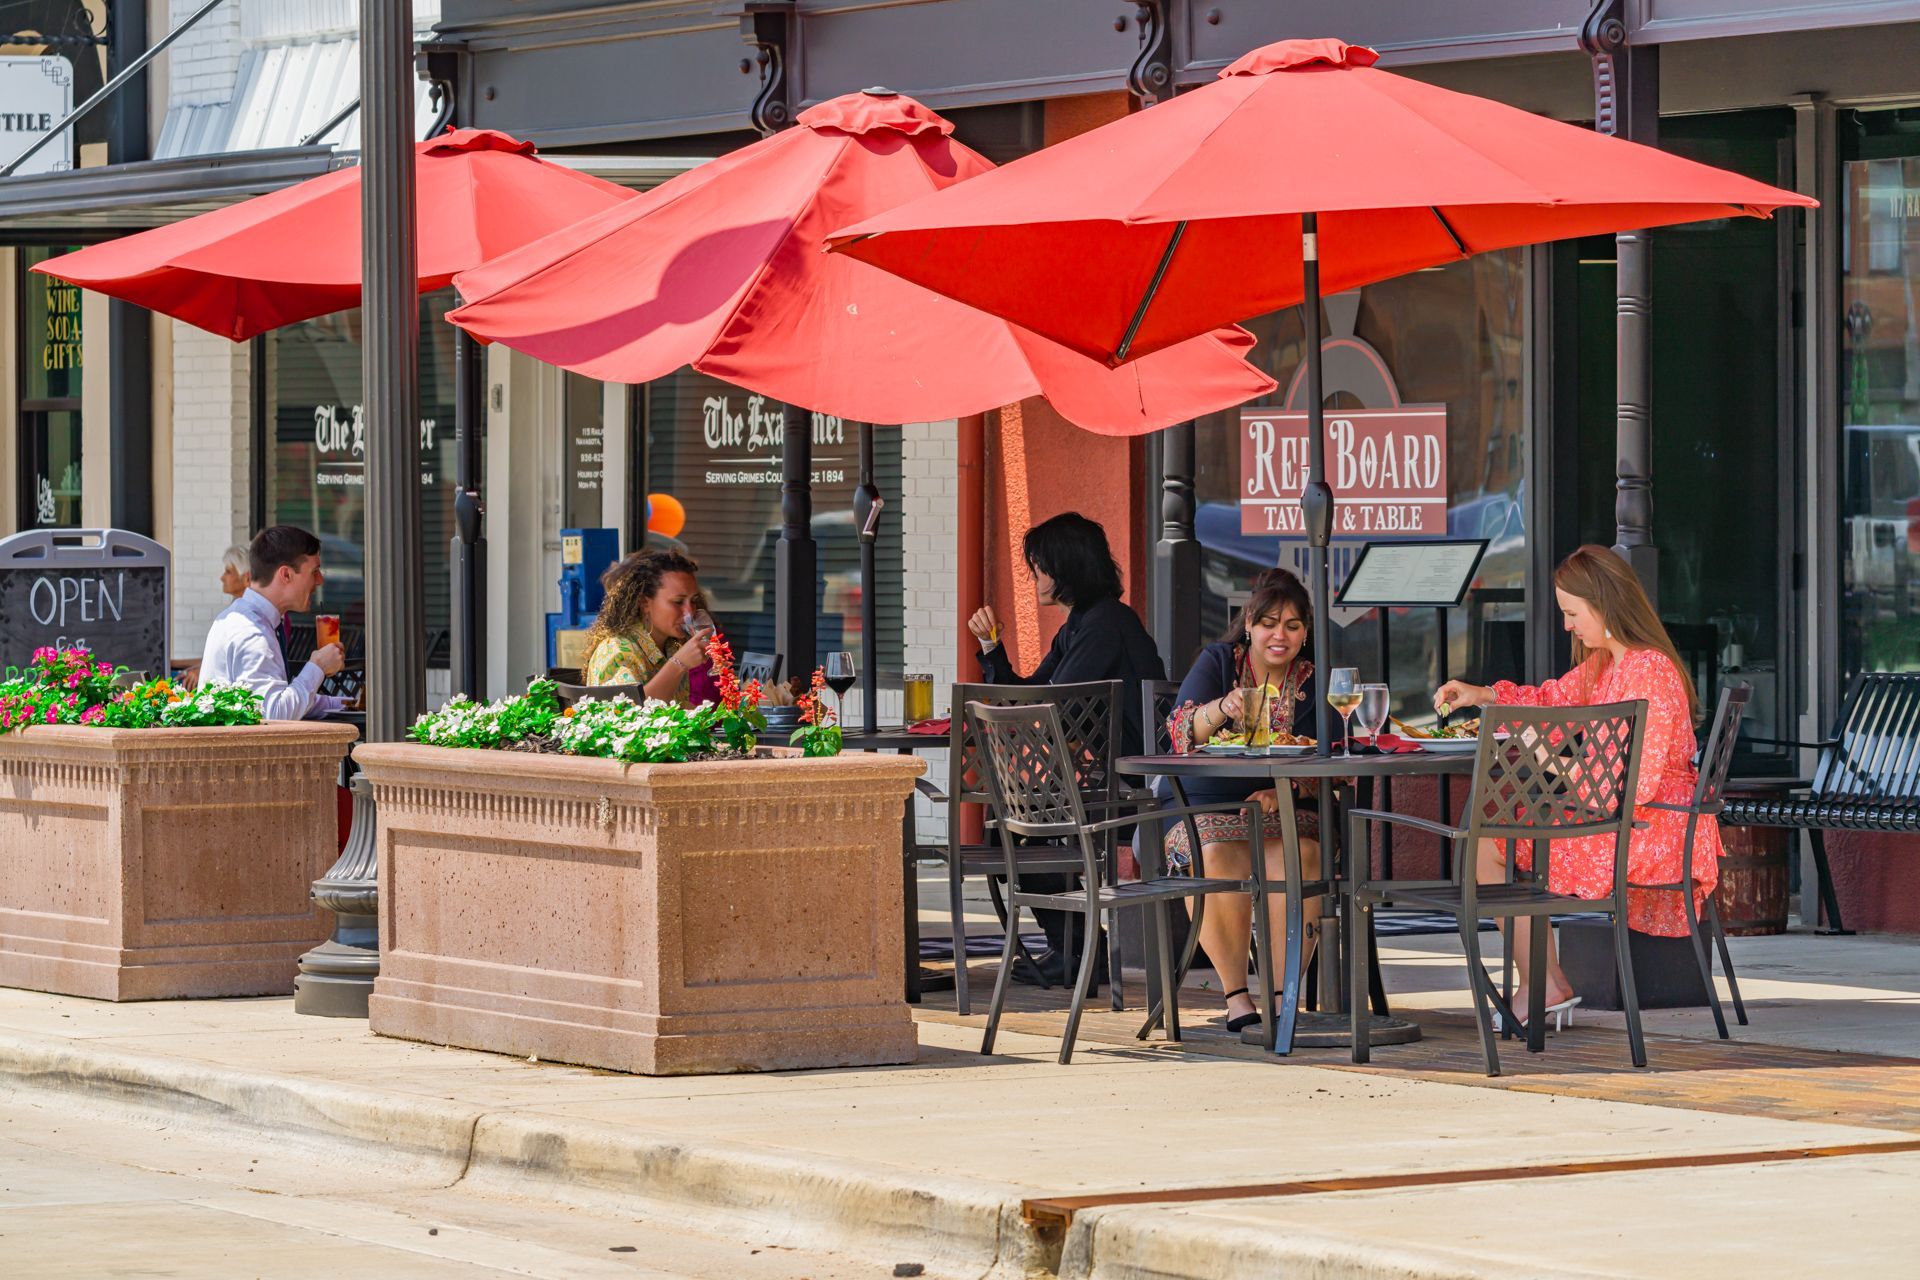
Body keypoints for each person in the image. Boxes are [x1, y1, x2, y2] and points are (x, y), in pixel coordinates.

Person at [1434, 544, 1717, 1026]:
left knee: (1493, 843)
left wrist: (1545, 756)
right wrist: (1482, 694)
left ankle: (1543, 985)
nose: (1567, 625)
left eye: (1572, 613)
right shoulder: (1611, 663)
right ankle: (1545, 983)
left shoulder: (1648, 670)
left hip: (1651, 831)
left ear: (1604, 605)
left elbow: (1634, 785)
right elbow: (1551, 699)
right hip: (1628, 820)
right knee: (1497, 838)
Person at [966, 511, 1167, 986]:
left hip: (1134, 780)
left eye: (1040, 566)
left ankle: (1078, 950)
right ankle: (1075, 949)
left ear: (1066, 567)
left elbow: (1048, 709)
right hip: (1101, 777)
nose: (1035, 577)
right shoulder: (1082, 623)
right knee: (1012, 827)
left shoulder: (1106, 624)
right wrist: (992, 647)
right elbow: (1031, 695)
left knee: (1015, 827)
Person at [1163, 568, 1323, 1031]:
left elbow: (1334, 753)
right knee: (1213, 853)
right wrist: (1221, 708)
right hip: (1206, 805)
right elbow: (1179, 732)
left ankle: (1279, 996)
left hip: (1288, 810)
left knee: (1300, 855)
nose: (1280, 635)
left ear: (1305, 631)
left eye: (1293, 626)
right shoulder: (1219, 661)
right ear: (1249, 622)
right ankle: (1236, 996)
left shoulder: (1314, 677)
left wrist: (1287, 789)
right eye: (1270, 623)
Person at [198, 526, 345, 720]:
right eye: (315, 571)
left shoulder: (247, 618)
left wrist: (347, 704)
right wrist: (317, 665)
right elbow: (274, 714)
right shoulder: (252, 632)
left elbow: (284, 700)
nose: (320, 580)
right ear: (286, 575)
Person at [581, 549, 710, 703]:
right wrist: (678, 664)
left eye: (694, 600)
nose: (690, 611)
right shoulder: (617, 650)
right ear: (644, 603)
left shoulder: (671, 648)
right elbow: (630, 715)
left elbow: (677, 710)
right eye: (678, 602)